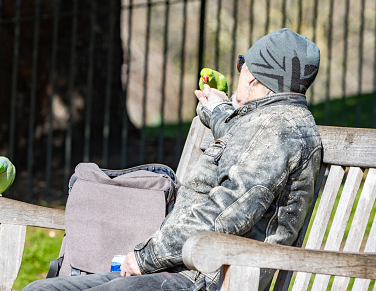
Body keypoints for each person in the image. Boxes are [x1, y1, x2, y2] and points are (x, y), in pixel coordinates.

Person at [23, 28, 323, 291]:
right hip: (181, 268)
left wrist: (146, 258)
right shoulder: (269, 124)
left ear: (253, 76)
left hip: (204, 277)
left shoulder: (277, 130)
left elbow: (225, 213)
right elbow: (244, 146)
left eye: (241, 65)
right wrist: (216, 110)